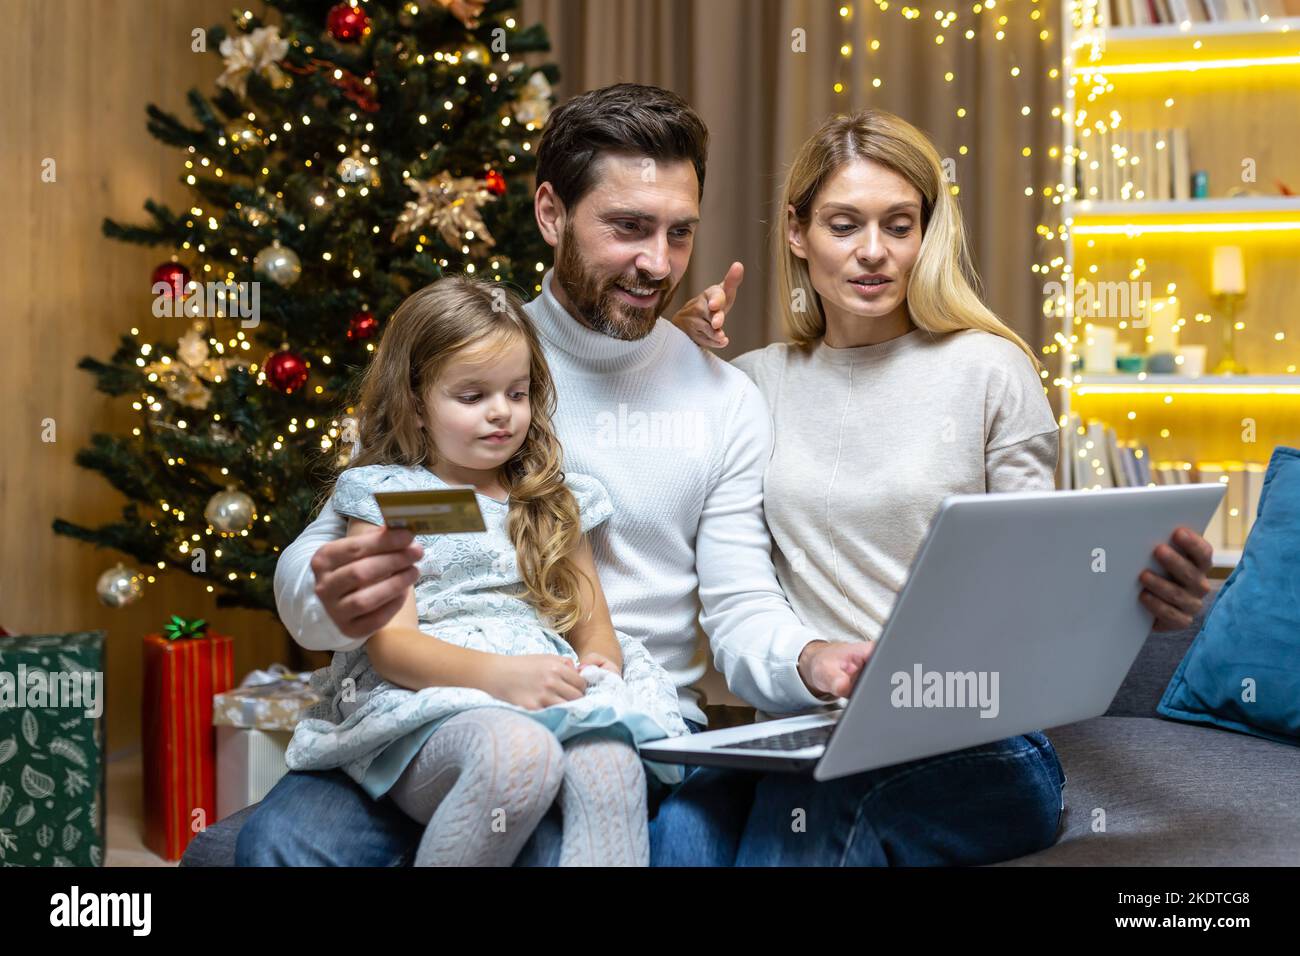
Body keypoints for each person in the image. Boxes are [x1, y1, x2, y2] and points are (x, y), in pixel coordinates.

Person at [210, 84, 1212, 868]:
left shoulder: (723, 396)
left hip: (622, 724)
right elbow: (348, 543)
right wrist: (330, 594)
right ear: (551, 212)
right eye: (627, 228)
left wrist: (806, 659)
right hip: (430, 709)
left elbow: (740, 601)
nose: (656, 263)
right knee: (285, 845)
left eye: (679, 231)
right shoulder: (475, 362)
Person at [283, 275, 687, 866]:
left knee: (612, 763)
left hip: (544, 686)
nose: (501, 414)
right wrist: (501, 679)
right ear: (417, 406)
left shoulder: (548, 497)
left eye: (516, 394)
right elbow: (393, 647)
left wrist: (601, 661)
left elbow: (591, 620)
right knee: (517, 756)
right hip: (434, 699)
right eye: (472, 397)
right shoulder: (398, 498)